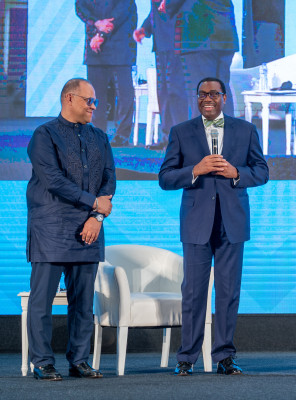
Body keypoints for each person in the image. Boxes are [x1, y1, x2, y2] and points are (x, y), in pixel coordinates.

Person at [158, 77, 268, 376]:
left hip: (232, 222)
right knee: (193, 291)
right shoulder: (181, 132)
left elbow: (262, 172)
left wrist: (236, 173)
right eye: (202, 94)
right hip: (196, 223)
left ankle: (224, 356)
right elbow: (165, 177)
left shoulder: (245, 130)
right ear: (196, 98)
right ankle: (187, 356)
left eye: (213, 94)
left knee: (228, 292)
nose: (207, 98)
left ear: (224, 97)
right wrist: (195, 170)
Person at [26, 78, 116, 381]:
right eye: (89, 100)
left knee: (82, 302)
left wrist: (97, 218)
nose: (93, 106)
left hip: (89, 228)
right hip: (51, 227)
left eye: (95, 102)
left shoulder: (99, 137)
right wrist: (94, 203)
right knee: (42, 302)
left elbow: (109, 181)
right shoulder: (44, 135)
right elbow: (52, 180)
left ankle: (79, 360)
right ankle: (42, 362)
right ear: (69, 99)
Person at [75, 0, 137, 148]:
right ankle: (97, 132)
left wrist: (102, 33)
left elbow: (121, 10)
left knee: (124, 94)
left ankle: (122, 135)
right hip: (95, 46)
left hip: (120, 45)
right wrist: (96, 23)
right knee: (95, 94)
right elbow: (80, 7)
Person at [163, 0, 239, 118]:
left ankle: (202, 136)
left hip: (199, 35)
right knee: (222, 91)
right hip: (225, 33)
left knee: (202, 92)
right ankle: (227, 135)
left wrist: (167, 4)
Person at [134, 0, 187, 150]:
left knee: (177, 93)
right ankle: (167, 137)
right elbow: (155, 11)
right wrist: (144, 29)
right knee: (163, 94)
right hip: (161, 45)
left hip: (178, 43)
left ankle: (180, 140)